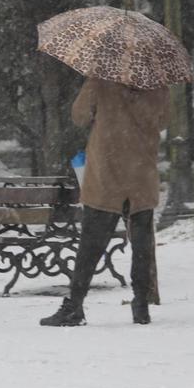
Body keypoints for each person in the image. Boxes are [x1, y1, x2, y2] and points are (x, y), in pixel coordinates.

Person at [40, 76, 170, 326]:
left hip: (107, 173)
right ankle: (141, 303)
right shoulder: (157, 84)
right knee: (142, 242)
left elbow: (79, 116)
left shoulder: (102, 80)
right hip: (141, 173)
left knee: (91, 243)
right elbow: (163, 121)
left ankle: (74, 306)